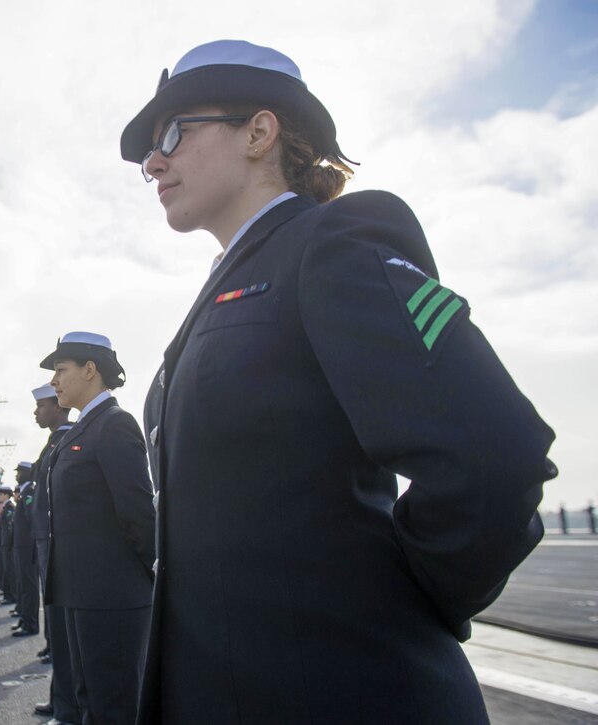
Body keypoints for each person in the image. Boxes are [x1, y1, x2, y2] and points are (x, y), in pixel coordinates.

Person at [120, 40, 559, 723]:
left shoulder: (333, 244)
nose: (153, 162)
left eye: (172, 132)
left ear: (259, 132)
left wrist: (405, 601)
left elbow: (494, 455)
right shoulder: (228, 288)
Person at [41, 331, 156, 725]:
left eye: (60, 370)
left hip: (113, 597)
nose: (54, 380)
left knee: (114, 706)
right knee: (90, 701)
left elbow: (138, 514)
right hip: (84, 595)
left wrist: (142, 578)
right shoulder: (82, 430)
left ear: (90, 370)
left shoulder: (114, 425)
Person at [29, 383, 77, 725]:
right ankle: (61, 701)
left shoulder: (66, 440)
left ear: (57, 408)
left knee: (63, 631)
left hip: (59, 547)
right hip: (49, 545)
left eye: (41, 406)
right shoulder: (53, 443)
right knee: (58, 631)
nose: (36, 412)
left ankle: (68, 707)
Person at [12, 462, 41, 637]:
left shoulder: (29, 492)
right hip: (21, 547)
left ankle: (31, 625)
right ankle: (25, 619)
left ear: (25, 473)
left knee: (29, 586)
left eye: (18, 473)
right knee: (23, 584)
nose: (16, 475)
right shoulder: (24, 493)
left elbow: (32, 519)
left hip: (27, 547)